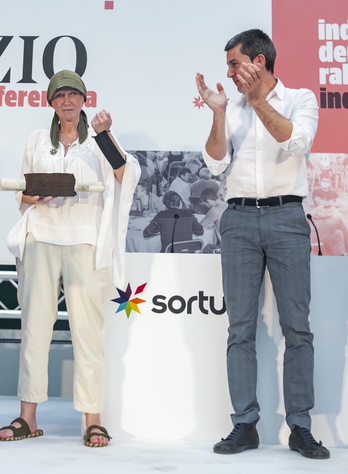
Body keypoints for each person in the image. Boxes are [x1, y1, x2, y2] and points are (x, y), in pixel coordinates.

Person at [196, 29, 330, 459]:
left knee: (297, 328)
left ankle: (301, 427)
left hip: (287, 218)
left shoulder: (301, 98)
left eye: (235, 64)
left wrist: (257, 102)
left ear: (258, 61)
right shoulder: (230, 107)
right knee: (240, 329)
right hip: (238, 221)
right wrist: (218, 114)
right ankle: (245, 424)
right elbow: (215, 163)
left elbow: (297, 141)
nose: (230, 73)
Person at [0, 70, 140, 447]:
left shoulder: (97, 141)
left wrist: (107, 135)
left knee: (88, 333)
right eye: (60, 95)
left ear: (83, 100)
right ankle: (27, 417)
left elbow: (126, 174)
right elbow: (22, 193)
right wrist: (32, 197)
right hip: (41, 238)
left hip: (85, 242)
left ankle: (92, 419)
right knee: (35, 330)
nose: (67, 101)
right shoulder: (35, 140)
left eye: (73, 95)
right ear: (50, 102)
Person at [311, 173, 348, 255]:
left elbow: (340, 203)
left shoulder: (333, 192)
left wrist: (327, 203)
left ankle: (342, 257)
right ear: (320, 181)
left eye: (327, 181)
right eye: (324, 180)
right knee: (339, 219)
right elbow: (320, 202)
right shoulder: (316, 191)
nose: (326, 182)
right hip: (323, 220)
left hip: (332, 217)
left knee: (339, 232)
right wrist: (332, 203)